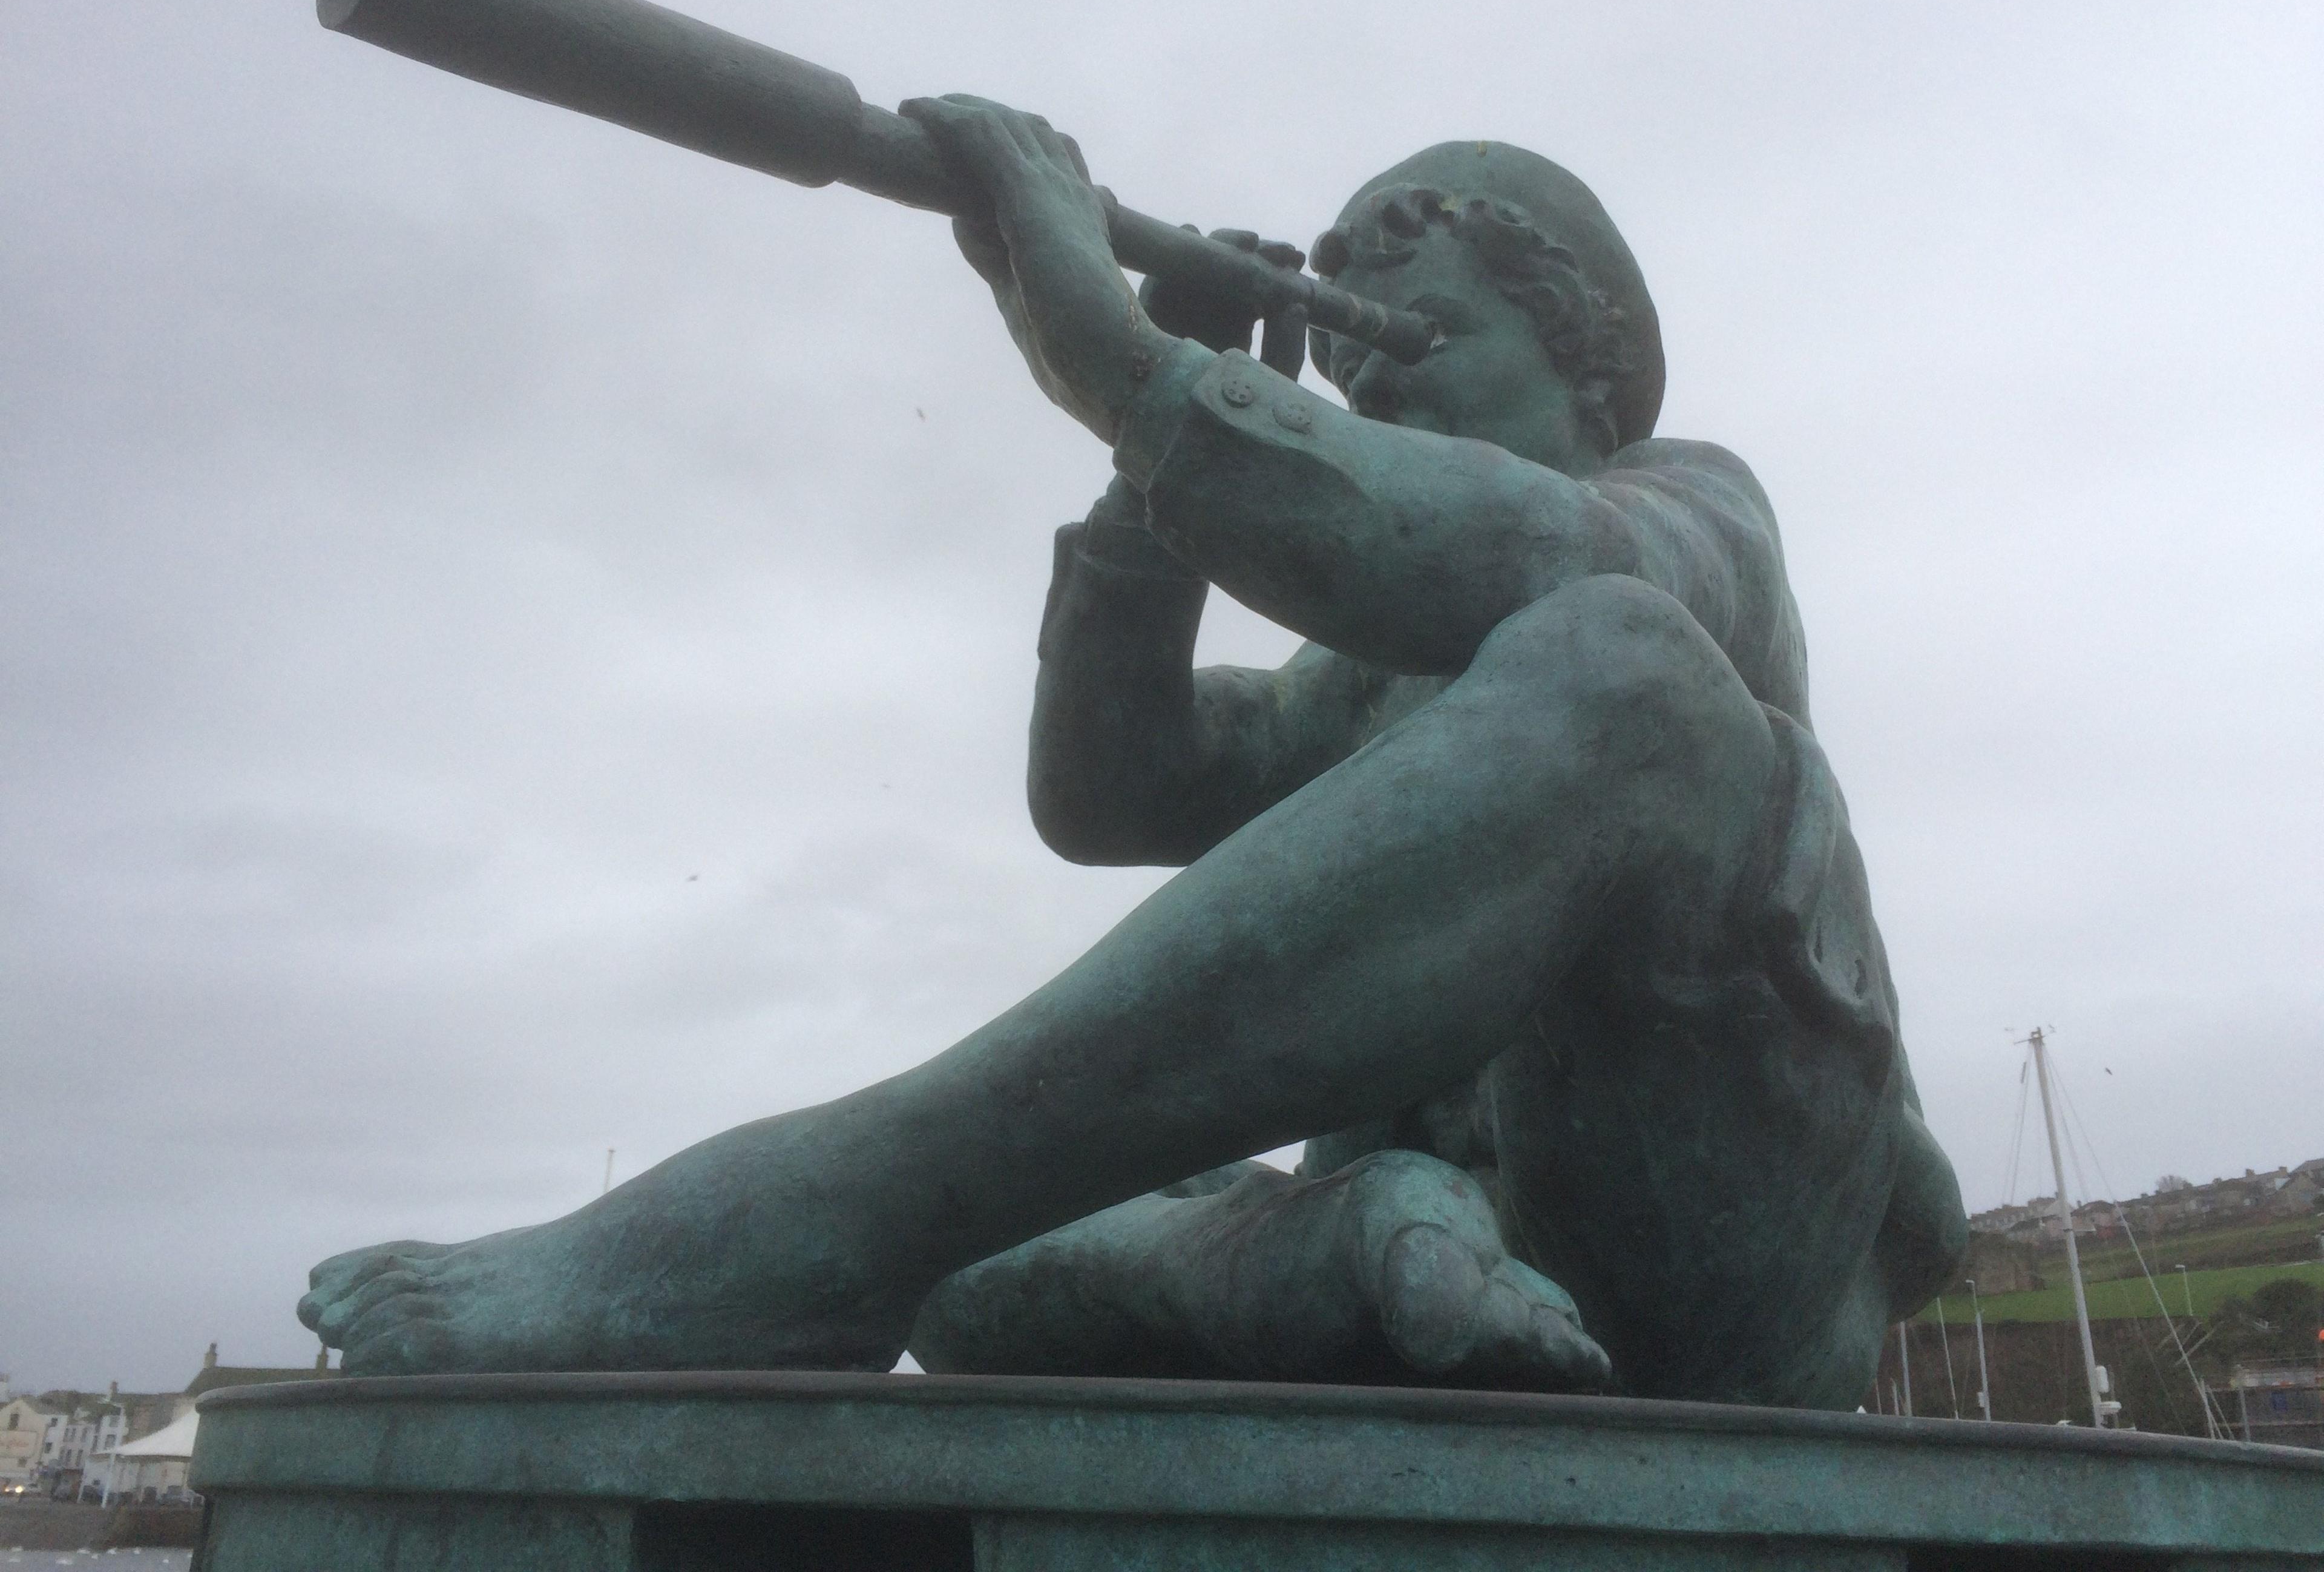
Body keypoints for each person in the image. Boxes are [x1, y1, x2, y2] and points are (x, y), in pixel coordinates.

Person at [299, 99, 1965, 1407]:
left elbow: (1518, 561)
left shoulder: (1695, 517)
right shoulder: (1365, 673)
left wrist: (1120, 363)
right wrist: (1152, 504)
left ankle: (814, 1212)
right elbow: (1114, 793)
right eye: (1356, 366)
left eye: (1420, 346)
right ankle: (1330, 1257)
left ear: (1589, 359)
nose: (1375, 404)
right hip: (1493, 1287)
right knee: (974, 1273)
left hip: (1712, 1272)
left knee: (1631, 675)